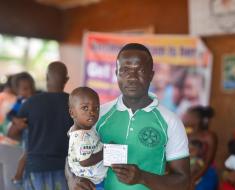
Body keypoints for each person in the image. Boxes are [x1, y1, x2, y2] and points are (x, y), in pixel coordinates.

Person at [66, 43, 190, 190]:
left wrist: (142, 177)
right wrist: (72, 180)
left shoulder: (170, 121)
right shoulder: (97, 115)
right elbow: (71, 156)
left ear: (151, 75)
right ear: (116, 73)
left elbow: (184, 181)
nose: (132, 77)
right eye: (124, 70)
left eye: (140, 70)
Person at [9, 61, 73, 190]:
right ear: (66, 79)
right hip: (67, 171)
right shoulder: (75, 103)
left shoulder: (31, 103)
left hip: (35, 169)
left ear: (46, 77)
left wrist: (28, 139)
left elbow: (12, 133)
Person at [68, 87, 107, 190]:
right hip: (90, 184)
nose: (92, 112)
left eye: (96, 108)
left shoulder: (85, 130)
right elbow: (84, 161)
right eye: (85, 108)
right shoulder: (81, 137)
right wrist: (105, 152)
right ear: (72, 113)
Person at [5, 72, 36, 185]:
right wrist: (15, 120)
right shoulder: (20, 101)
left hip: (32, 132)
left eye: (31, 88)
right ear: (17, 91)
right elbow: (10, 115)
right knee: (26, 153)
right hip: (25, 132)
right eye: (25, 89)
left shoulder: (34, 99)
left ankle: (23, 176)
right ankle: (18, 175)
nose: (29, 92)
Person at [183, 105, 218, 190]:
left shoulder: (209, 136)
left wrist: (193, 179)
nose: (184, 118)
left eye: (187, 116)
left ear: (197, 120)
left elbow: (208, 162)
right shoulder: (186, 135)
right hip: (189, 174)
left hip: (206, 174)